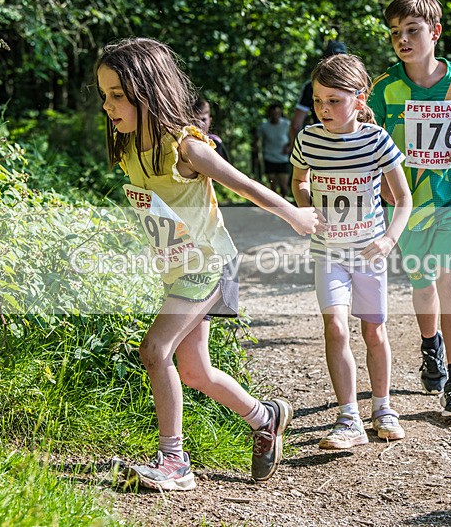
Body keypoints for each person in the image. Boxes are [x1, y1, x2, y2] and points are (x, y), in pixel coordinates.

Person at [95, 37, 321, 490]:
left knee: (154, 350)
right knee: (195, 370)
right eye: (104, 95)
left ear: (148, 90)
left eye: (117, 95)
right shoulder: (127, 147)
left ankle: (174, 463)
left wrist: (295, 214)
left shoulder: (186, 148)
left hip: (209, 266)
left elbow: (246, 186)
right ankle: (266, 417)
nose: (108, 105)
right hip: (178, 269)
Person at [368, 0, 451, 420]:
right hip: (406, 203)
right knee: (422, 282)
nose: (403, 39)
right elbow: (368, 135)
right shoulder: (384, 88)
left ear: (434, 32)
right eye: (395, 33)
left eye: (412, 31)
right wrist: (379, 179)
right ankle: (429, 345)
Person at [290, 53, 413, 449]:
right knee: (336, 327)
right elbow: (299, 180)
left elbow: (404, 199)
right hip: (328, 252)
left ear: (359, 100)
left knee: (374, 331)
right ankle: (348, 419)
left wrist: (389, 238)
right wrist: (307, 206)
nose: (324, 109)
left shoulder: (377, 140)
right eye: (318, 100)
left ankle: (382, 407)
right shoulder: (308, 139)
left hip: (369, 254)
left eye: (334, 101)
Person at [286, 40, 348, 153]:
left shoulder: (311, 86)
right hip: (354, 144)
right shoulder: (355, 85)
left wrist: (294, 147)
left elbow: (296, 123)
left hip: (320, 143)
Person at [253, 102, 291, 197]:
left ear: (280, 113)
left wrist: (290, 147)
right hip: (269, 157)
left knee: (283, 185)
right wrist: (257, 154)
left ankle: (285, 202)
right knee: (272, 185)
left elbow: (293, 138)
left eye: (277, 113)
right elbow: (257, 140)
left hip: (283, 158)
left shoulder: (286, 124)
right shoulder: (264, 126)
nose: (275, 116)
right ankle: (275, 207)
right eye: (273, 113)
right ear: (269, 114)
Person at [194, 97, 231, 163]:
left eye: (203, 120)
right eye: (195, 120)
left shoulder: (216, 142)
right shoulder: (185, 142)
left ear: (210, 120)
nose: (200, 124)